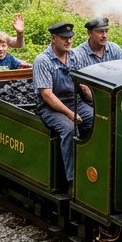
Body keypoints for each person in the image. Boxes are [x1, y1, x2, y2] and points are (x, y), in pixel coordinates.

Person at [33, 22, 93, 185]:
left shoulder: (75, 56)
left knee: (97, 121)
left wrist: (95, 101)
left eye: (70, 38)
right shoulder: (43, 60)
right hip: (50, 108)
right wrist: (69, 114)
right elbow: (46, 94)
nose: (69, 41)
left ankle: (92, 169)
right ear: (53, 38)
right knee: (69, 129)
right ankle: (72, 180)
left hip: (76, 102)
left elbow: (84, 85)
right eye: (64, 38)